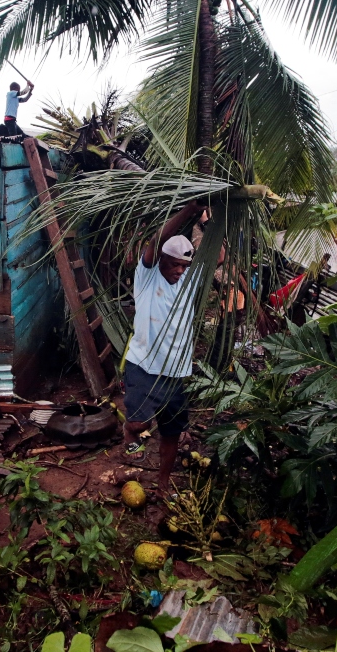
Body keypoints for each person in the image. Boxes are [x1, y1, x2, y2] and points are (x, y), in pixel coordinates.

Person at [121, 201, 205, 495]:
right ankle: (129, 431)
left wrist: (211, 218)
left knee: (171, 431)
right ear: (161, 261)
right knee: (138, 422)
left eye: (184, 266)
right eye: (174, 264)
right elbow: (155, 242)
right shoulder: (147, 276)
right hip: (143, 365)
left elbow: (217, 254)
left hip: (177, 373)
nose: (179, 271)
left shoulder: (190, 280)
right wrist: (189, 211)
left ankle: (163, 481)